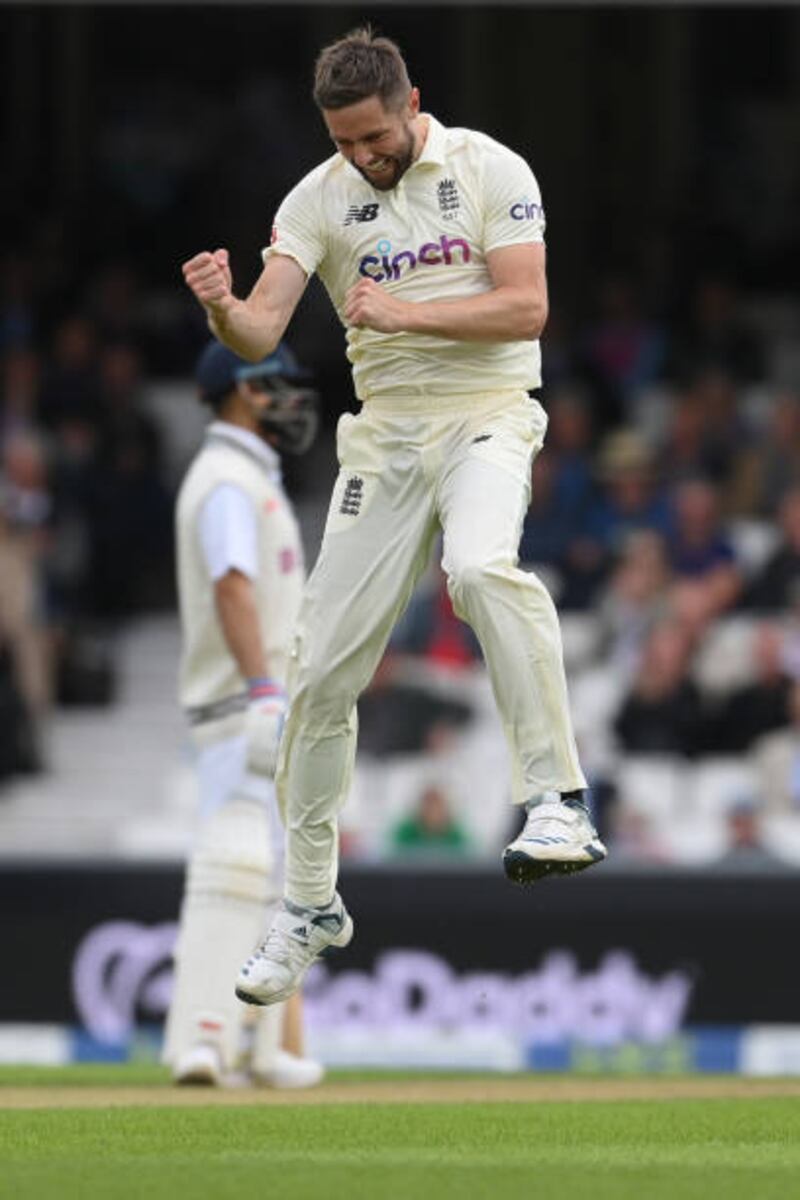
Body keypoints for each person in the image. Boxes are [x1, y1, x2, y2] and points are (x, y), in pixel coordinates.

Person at [181, 27, 606, 1010]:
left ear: (411, 100)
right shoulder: (317, 197)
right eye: (342, 141)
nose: (360, 157)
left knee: (477, 569)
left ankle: (555, 800)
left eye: (373, 135)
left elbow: (525, 307)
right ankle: (308, 904)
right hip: (385, 442)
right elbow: (258, 327)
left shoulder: (491, 166)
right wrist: (218, 308)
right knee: (319, 676)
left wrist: (405, 314)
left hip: (488, 419)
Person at [162, 337, 324, 1086]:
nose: (287, 399)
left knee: (273, 883)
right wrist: (264, 689)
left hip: (259, 701)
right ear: (238, 392)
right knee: (232, 869)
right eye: (271, 385)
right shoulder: (227, 478)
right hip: (241, 704)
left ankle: (265, 1048)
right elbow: (232, 586)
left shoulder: (249, 476)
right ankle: (200, 1039)